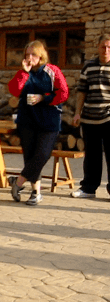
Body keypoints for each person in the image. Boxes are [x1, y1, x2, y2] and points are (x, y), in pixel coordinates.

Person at [7, 40, 69, 205]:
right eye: (27, 54)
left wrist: (43, 98)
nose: (29, 58)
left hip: (49, 122)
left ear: (41, 56)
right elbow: (14, 90)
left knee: (42, 155)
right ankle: (36, 193)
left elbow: (63, 93)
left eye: (33, 54)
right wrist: (23, 72)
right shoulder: (23, 73)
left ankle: (17, 182)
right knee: (30, 157)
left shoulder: (52, 70)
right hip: (27, 121)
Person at [71, 34, 110, 199]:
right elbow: (81, 91)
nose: (106, 50)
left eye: (109, 47)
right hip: (89, 118)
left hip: (108, 116)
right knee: (92, 156)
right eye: (103, 47)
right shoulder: (88, 66)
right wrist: (77, 112)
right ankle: (88, 188)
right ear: (98, 47)